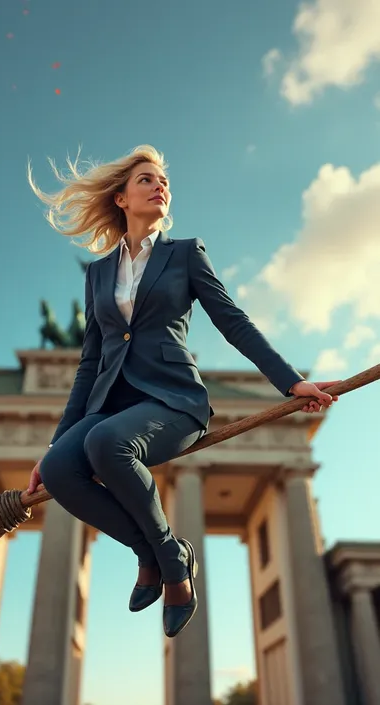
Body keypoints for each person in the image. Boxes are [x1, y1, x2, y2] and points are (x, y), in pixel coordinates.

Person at [26, 145, 339, 638]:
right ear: (121, 198)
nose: (160, 186)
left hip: (172, 403)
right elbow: (90, 363)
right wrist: (53, 445)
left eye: (163, 181)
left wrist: (290, 381)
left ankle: (171, 567)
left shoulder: (185, 253)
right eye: (147, 179)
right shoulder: (99, 274)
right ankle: (160, 551)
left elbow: (234, 323)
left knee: (106, 444)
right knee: (63, 469)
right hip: (110, 400)